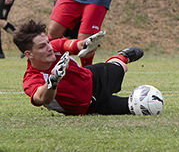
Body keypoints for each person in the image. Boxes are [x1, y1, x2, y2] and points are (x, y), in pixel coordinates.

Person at [14, 19, 144, 115]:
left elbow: (74, 45)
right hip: (88, 108)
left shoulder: (55, 47)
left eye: (47, 43)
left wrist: (86, 44)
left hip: (94, 78)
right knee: (137, 107)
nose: (49, 48)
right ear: (28, 54)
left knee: (122, 67)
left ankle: (122, 56)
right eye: (42, 46)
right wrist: (53, 81)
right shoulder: (31, 79)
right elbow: (41, 98)